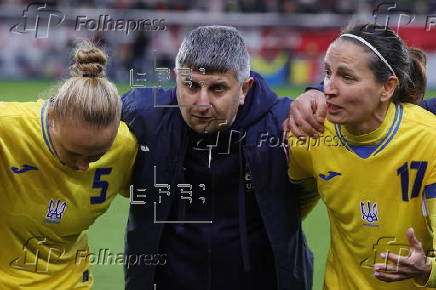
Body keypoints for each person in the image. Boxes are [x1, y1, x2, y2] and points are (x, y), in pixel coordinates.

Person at [121, 25, 313, 290]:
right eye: (190, 85)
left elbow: (354, 111)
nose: (201, 103)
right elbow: (75, 111)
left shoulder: (282, 124)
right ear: (176, 78)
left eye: (217, 89)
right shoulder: (145, 115)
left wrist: (318, 89)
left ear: (244, 88)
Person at [287, 24, 436, 289]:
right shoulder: (311, 134)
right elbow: (287, 209)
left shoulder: (429, 140)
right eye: (327, 73)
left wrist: (427, 270)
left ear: (387, 88)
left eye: (347, 77)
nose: (328, 89)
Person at [0, 41, 137, 288]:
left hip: (71, 283)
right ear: (52, 117)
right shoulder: (7, 129)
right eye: (74, 153)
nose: (83, 167)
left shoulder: (125, 146)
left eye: (97, 156)